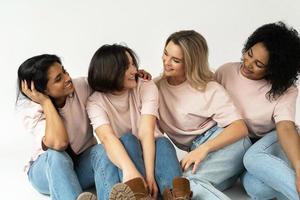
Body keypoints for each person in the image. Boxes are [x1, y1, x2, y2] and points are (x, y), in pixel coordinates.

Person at [17, 54, 152, 200]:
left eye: (64, 72)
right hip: (46, 172)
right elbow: (59, 143)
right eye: (58, 79)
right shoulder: (32, 112)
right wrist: (46, 102)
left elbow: (107, 80)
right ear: (42, 90)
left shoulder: (80, 87)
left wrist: (130, 75)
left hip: (81, 165)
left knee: (103, 149)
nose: (67, 78)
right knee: (56, 156)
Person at [86, 44, 192, 200]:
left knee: (163, 143)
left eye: (133, 64)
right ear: (110, 71)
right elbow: (108, 138)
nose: (134, 70)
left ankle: (175, 196)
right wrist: (133, 174)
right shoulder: (95, 102)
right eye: (126, 67)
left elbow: (146, 131)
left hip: (151, 150)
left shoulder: (146, 86)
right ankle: (138, 194)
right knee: (128, 139)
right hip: (123, 157)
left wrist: (149, 176)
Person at [155, 30, 251, 200]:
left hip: (228, 143)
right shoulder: (155, 88)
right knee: (178, 189)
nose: (166, 62)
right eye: (165, 53)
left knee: (185, 185)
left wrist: (203, 149)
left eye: (176, 60)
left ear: (191, 64)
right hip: (198, 150)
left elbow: (239, 128)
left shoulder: (209, 88)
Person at [215, 21, 300, 200]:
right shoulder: (225, 72)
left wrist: (299, 168)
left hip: (275, 142)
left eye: (259, 64)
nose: (248, 64)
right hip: (242, 149)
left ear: (274, 70)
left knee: (253, 158)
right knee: (257, 190)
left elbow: (285, 127)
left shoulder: (286, 90)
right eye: (249, 54)